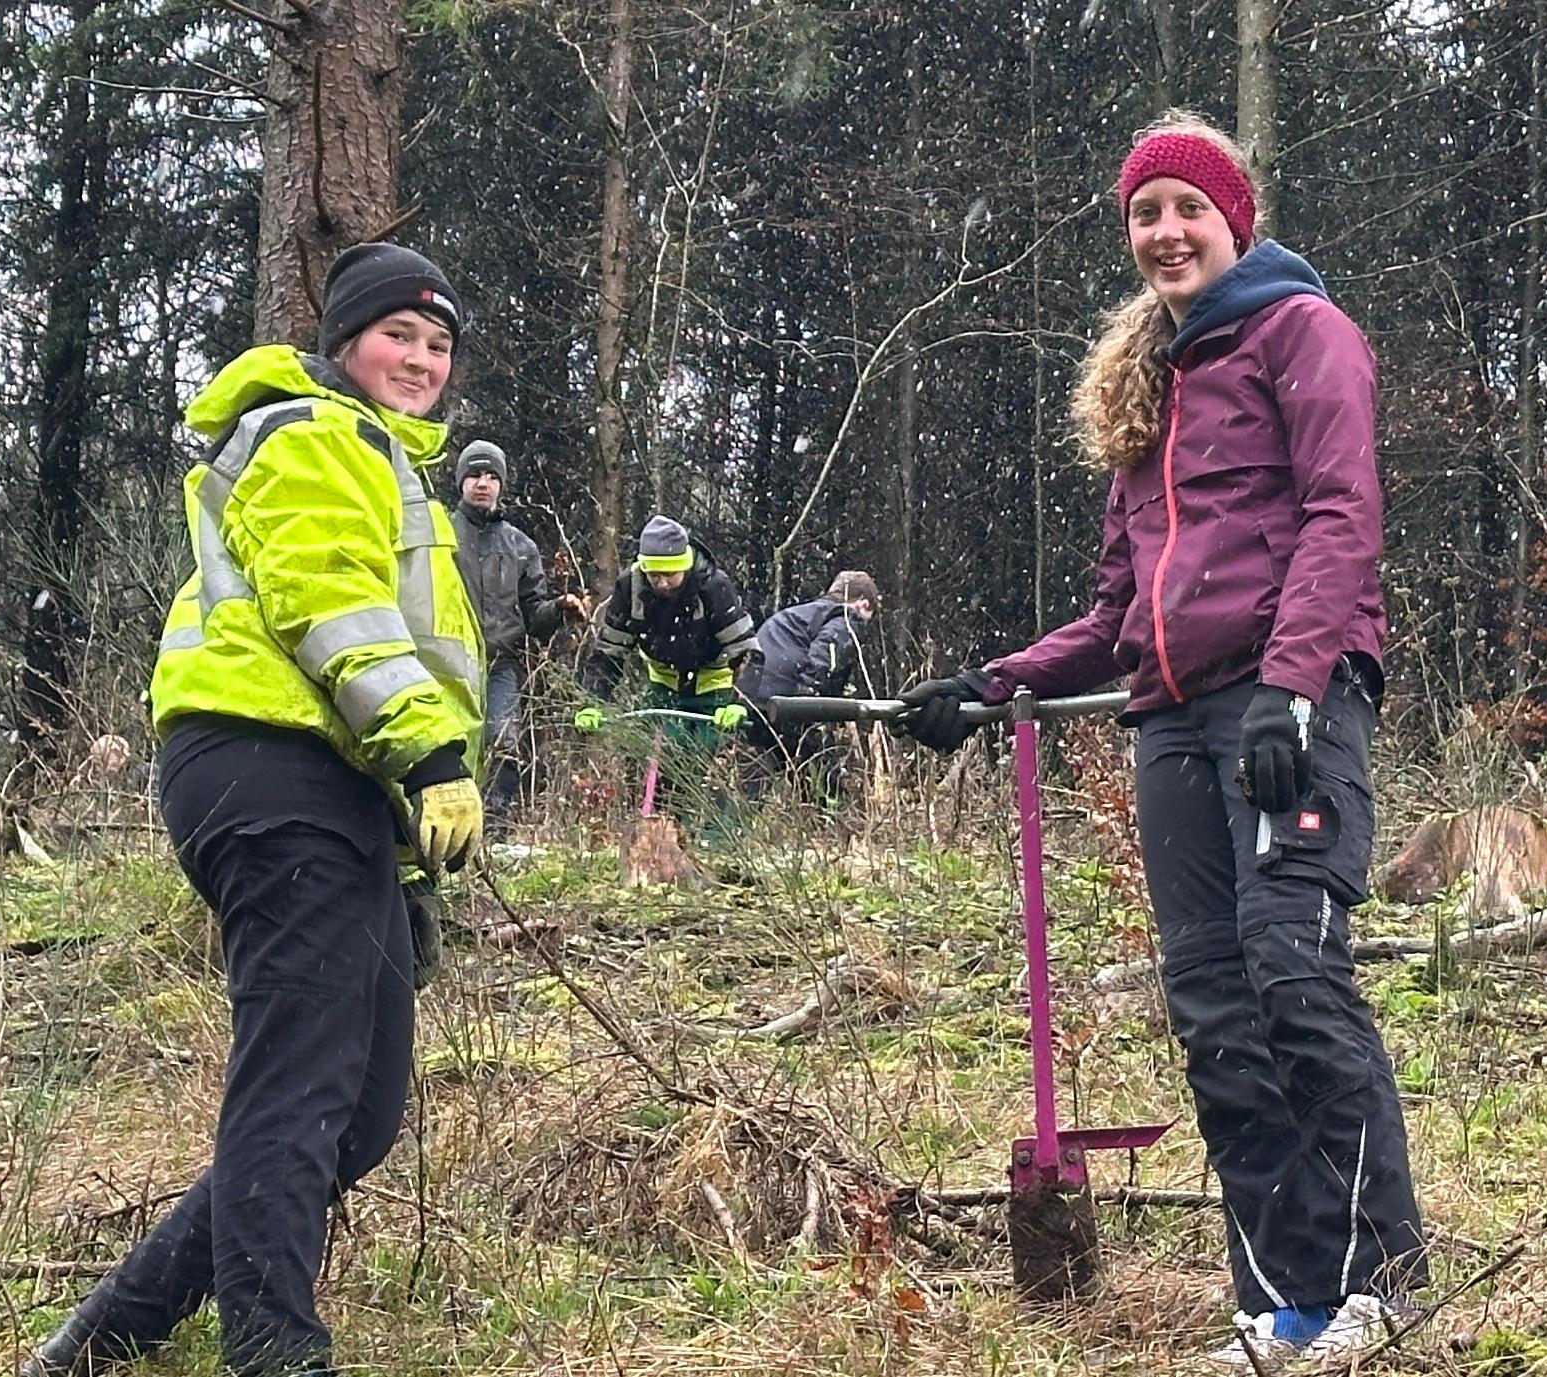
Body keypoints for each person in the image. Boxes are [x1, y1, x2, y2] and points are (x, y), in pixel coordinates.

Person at [894, 113, 1423, 1370]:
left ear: (1231, 220)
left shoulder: (1304, 334)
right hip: (1171, 726)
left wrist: (1292, 694)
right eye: (1144, 215)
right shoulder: (1148, 383)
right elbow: (1114, 614)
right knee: (1212, 1007)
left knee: (1290, 972)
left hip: (1289, 701)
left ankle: (1381, 1288)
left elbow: (1343, 516)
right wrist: (986, 685)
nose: (1165, 232)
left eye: (1186, 208)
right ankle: (1283, 1307)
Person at [24, 242, 484, 1377]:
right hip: (268, 770)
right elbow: (329, 604)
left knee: (361, 1110)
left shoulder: (382, 460)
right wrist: (428, 755)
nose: (419, 359)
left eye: (437, 345)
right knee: (298, 1078)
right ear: (345, 342)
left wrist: (407, 855)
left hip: (336, 790)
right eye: (398, 336)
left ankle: (111, 1334)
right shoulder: (309, 435)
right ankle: (273, 1349)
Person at [449, 439, 586, 820]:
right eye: (475, 474)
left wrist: (561, 610)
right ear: (461, 481)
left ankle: (495, 826)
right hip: (445, 662)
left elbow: (533, 616)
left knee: (503, 743)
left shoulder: (520, 546)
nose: (483, 483)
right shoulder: (439, 535)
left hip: (501, 664)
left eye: (492, 476)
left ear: (502, 485)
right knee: (448, 745)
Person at [576, 515, 758, 756]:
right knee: (653, 761)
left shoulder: (713, 586)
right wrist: (592, 702)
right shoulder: (631, 588)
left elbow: (747, 651)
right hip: (663, 693)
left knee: (707, 766)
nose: (662, 584)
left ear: (684, 567)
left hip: (715, 693)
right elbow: (608, 654)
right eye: (655, 576)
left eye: (670, 575)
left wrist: (740, 702)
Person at [737, 569, 879, 790]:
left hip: (753, 701)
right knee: (823, 784)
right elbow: (825, 655)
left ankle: (733, 821)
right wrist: (811, 700)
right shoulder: (847, 618)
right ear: (863, 604)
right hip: (792, 703)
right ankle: (829, 819)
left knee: (752, 782)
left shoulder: (795, 615)